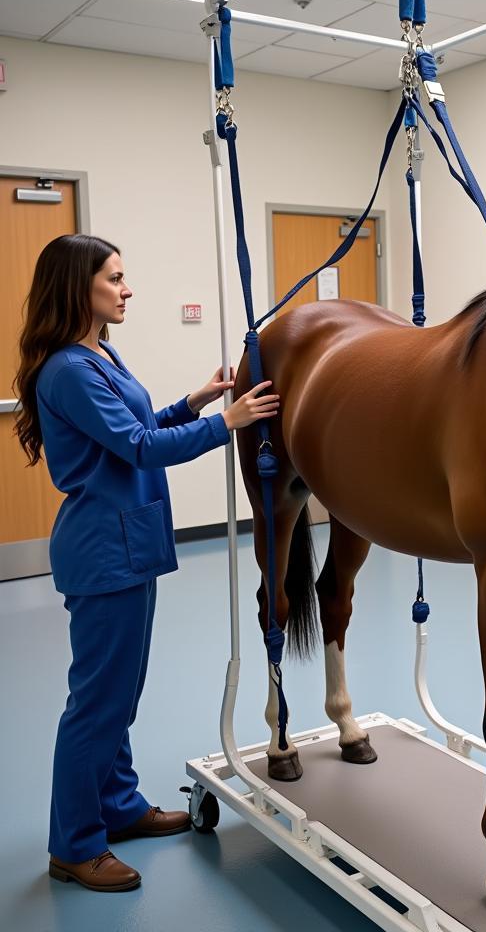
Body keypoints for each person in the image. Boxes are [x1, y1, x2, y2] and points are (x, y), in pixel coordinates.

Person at [14, 234, 279, 892]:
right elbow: (136, 448)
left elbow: (137, 426)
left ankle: (119, 807)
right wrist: (230, 424)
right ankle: (74, 845)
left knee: (120, 695)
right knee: (97, 704)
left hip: (127, 544)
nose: (127, 289)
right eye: (115, 278)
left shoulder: (99, 353)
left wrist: (195, 402)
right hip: (104, 551)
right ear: (80, 286)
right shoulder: (70, 369)